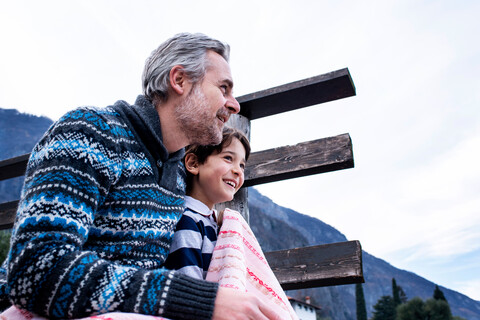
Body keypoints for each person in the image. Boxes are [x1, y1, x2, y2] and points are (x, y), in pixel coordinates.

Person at [0, 33, 281, 320]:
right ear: (179, 80)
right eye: (223, 88)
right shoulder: (90, 132)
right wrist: (198, 301)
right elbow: (34, 269)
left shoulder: (177, 176)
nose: (234, 104)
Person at [164, 127, 250, 279]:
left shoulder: (216, 223)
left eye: (242, 165)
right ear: (194, 163)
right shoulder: (186, 220)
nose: (238, 171)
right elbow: (189, 288)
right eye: (228, 158)